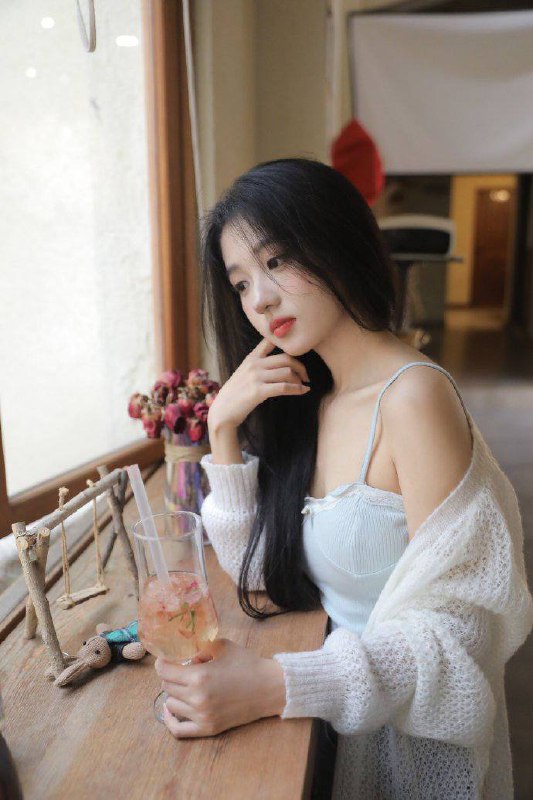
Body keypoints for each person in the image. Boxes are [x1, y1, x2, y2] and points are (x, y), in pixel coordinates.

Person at [154, 158, 533, 799]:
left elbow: (460, 636)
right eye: (240, 283)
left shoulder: (412, 399)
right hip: (334, 726)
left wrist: (275, 683)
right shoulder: (312, 401)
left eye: (276, 261)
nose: (259, 299)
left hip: (407, 756)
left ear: (335, 240)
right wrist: (222, 430)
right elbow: (259, 573)